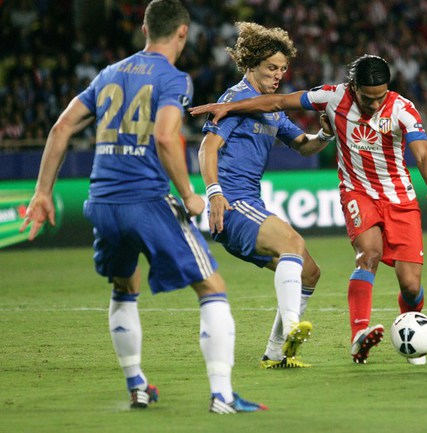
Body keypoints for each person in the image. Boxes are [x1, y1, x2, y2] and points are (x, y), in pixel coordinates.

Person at [19, 0, 266, 413]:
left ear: (145, 30)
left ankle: (136, 385)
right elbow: (166, 137)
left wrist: (43, 192)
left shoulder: (109, 73)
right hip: (146, 199)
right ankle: (222, 395)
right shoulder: (172, 77)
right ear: (183, 32)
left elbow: (61, 127)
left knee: (124, 286)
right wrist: (188, 193)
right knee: (212, 287)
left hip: (102, 202)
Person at [190, 54, 427, 365]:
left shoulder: (403, 109)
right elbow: (276, 102)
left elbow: (423, 155)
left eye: (380, 97)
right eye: (368, 98)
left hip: (399, 197)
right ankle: (355, 335)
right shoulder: (332, 97)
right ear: (353, 87)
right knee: (365, 255)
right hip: (355, 193)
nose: (374, 104)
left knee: (402, 284)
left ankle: (280, 351)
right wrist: (228, 108)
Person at [197, 22, 334, 369]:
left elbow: (303, 146)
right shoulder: (235, 100)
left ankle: (276, 353)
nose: (278, 75)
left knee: (309, 272)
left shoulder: (271, 108)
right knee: (292, 242)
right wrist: (214, 193)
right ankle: (292, 326)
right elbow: (207, 148)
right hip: (232, 203)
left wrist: (324, 135)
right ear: (251, 64)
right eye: (271, 67)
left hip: (251, 204)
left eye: (282, 69)